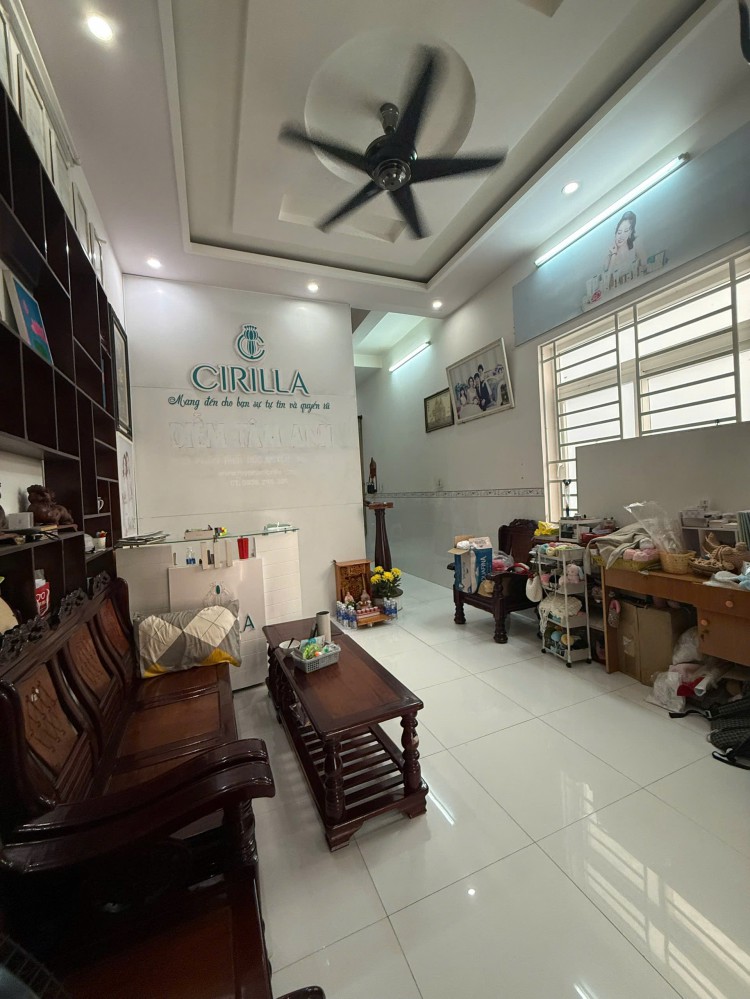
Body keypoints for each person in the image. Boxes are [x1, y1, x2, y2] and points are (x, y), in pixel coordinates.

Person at [603, 211, 642, 281]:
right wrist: (614, 254)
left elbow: (645, 264)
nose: (621, 236)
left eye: (626, 231)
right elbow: (608, 280)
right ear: (616, 232)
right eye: (619, 232)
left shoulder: (635, 244)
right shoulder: (609, 254)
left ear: (630, 232)